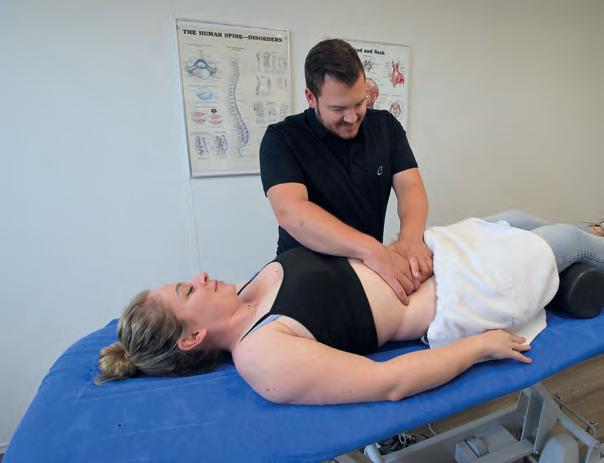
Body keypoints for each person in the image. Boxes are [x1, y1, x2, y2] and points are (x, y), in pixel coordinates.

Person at [97, 211, 604, 405]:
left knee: (519, 217)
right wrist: (481, 347)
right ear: (191, 337)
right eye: (188, 292)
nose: (200, 278)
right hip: (464, 290)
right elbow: (389, 382)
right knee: (569, 240)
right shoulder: (264, 356)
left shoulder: (247, 292)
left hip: (437, 251)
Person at [259, 38, 431, 305]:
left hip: (364, 275)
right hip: (302, 278)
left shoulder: (386, 127)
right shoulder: (282, 139)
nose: (352, 117)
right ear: (311, 98)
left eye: (360, 103)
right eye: (338, 109)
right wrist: (372, 249)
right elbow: (292, 212)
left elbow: (410, 186)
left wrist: (411, 238)